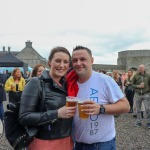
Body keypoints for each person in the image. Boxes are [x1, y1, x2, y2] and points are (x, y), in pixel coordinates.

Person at [68, 46, 130, 150]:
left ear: (91, 60)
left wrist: (100, 108)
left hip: (101, 145)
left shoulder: (105, 80)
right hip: (78, 143)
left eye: (83, 59)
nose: (78, 63)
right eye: (75, 60)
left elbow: (126, 106)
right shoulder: (71, 83)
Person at [19, 47, 76, 150]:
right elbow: (24, 117)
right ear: (49, 62)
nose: (62, 65)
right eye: (58, 61)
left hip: (67, 141)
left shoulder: (68, 84)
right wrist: (57, 113)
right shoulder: (36, 83)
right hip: (44, 142)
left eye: (66, 62)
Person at [132, 64, 150, 128]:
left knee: (148, 109)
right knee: (138, 109)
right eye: (139, 68)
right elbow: (132, 84)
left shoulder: (148, 76)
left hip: (146, 94)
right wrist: (138, 86)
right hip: (138, 94)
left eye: (141, 68)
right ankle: (138, 122)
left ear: (144, 69)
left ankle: (148, 123)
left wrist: (148, 92)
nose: (139, 69)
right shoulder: (135, 76)